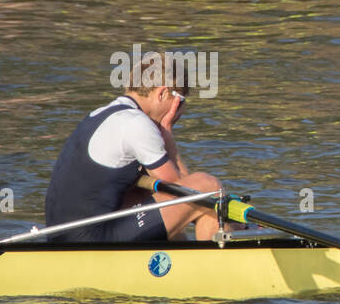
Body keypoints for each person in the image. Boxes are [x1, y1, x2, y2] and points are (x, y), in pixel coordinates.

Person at [44, 52, 230, 242]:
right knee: (209, 188)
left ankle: (178, 263)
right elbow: (179, 188)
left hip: (61, 233)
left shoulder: (101, 114)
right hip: (92, 238)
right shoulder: (137, 124)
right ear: (163, 93)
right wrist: (167, 134)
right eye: (180, 101)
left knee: (146, 195)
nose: (180, 110)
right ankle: (214, 264)